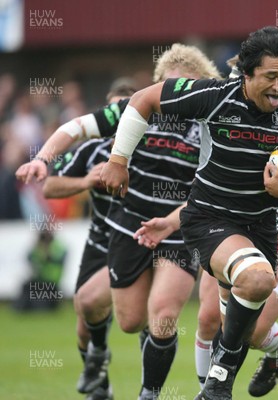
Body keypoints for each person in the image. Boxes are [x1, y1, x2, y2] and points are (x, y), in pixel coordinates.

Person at [100, 26, 278, 400]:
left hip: (260, 229)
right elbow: (143, 99)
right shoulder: (213, 96)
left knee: (236, 319)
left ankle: (229, 378)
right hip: (208, 220)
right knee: (251, 283)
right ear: (247, 75)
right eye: (270, 77)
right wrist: (118, 160)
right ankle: (215, 386)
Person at [16, 44, 223, 400]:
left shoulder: (209, 124)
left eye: (189, 86)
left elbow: (214, 187)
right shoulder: (136, 107)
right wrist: (44, 159)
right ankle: (102, 358)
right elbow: (78, 126)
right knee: (129, 321)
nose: (180, 94)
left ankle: (149, 394)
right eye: (172, 85)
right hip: (129, 226)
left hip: (177, 229)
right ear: (159, 85)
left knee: (162, 316)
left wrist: (175, 220)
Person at [135, 193, 278, 396]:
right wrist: (170, 222)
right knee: (208, 318)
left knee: (250, 333)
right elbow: (210, 189)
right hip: (234, 233)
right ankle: (208, 393)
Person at [41, 84, 136, 400]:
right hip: (99, 244)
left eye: (125, 112)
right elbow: (50, 187)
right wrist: (86, 180)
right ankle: (101, 385)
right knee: (84, 320)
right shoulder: (91, 150)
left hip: (141, 244)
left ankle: (150, 389)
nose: (118, 122)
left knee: (146, 320)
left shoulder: (153, 151)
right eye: (112, 114)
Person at [12, 229, 67, 312]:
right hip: (40, 279)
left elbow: (58, 258)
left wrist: (47, 254)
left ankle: (26, 307)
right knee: (26, 286)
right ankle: (20, 306)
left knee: (42, 301)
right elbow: (29, 258)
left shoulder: (57, 247)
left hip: (51, 281)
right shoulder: (38, 248)